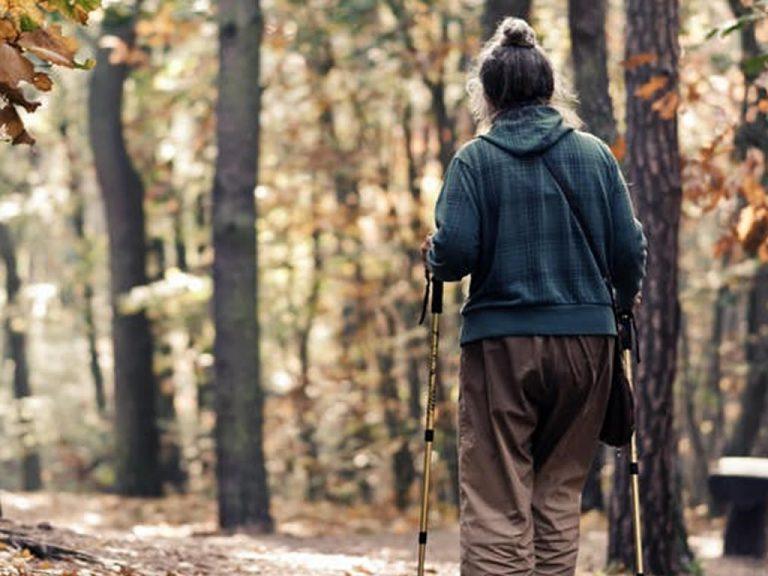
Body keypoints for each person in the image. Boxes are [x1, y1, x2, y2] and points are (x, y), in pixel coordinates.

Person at [420, 17, 647, 576]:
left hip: (502, 345)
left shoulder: (475, 160)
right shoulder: (595, 156)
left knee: (498, 496)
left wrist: (434, 254)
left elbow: (455, 256)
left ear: (489, 94)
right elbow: (630, 251)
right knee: (558, 495)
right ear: (549, 88)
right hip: (587, 346)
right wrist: (619, 303)